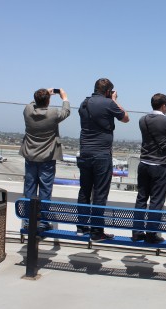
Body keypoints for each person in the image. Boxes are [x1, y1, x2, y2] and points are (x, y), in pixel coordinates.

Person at [77, 78, 129, 241]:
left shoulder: (84, 103)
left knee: (85, 190)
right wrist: (113, 100)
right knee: (100, 193)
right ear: (108, 91)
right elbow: (125, 118)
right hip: (102, 155)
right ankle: (97, 231)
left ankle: (82, 227)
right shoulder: (109, 103)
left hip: (85, 152)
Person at [132, 93, 166, 243]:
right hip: (159, 165)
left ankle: (137, 232)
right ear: (164, 106)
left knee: (141, 198)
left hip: (144, 164)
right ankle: (151, 234)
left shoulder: (143, 120)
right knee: (156, 201)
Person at [19, 88, 70, 229]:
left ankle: (28, 221)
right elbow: (66, 112)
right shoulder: (53, 113)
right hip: (47, 156)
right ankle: (43, 221)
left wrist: (43, 95)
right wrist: (64, 98)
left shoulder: (27, 110)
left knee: (29, 188)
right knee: (45, 190)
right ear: (48, 101)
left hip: (30, 155)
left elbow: (31, 104)